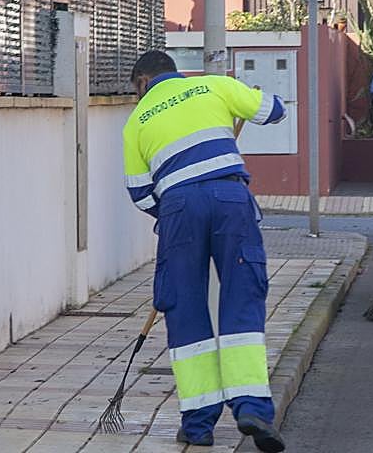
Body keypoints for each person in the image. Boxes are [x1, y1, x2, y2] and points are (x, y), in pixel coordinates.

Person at [123, 50, 288, 451]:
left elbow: (140, 194)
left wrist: (175, 211)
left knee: (184, 308)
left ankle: (198, 425)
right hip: (230, 198)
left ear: (143, 82)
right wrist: (252, 97)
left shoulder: (136, 122)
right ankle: (252, 407)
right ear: (174, 72)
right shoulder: (214, 86)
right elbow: (275, 111)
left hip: (178, 209)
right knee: (242, 297)